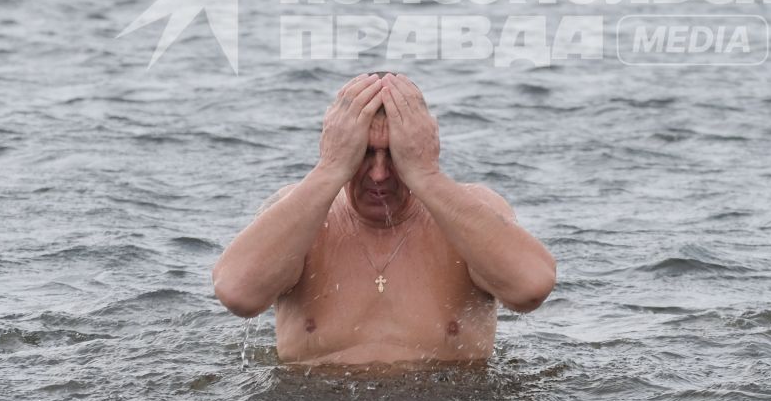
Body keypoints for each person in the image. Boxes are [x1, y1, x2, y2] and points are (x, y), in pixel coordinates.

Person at [212, 73, 555, 366]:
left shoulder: (469, 215)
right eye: (363, 153)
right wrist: (330, 170)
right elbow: (237, 294)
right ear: (339, 147)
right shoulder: (299, 217)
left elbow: (531, 289)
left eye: (393, 155)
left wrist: (426, 175)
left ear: (421, 147)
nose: (378, 174)